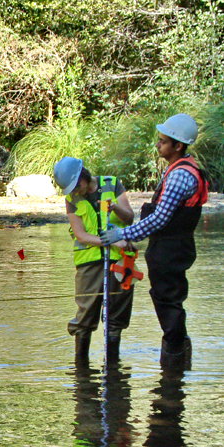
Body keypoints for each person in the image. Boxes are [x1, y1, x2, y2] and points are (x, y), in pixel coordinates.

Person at [100, 113, 208, 369]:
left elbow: (159, 219)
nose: (157, 145)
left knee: (168, 300)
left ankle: (173, 368)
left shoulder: (181, 175)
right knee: (167, 299)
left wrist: (122, 235)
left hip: (171, 250)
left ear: (178, 146)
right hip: (169, 248)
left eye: (162, 141)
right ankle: (176, 368)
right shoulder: (177, 169)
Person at [53, 157, 135, 364]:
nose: (76, 191)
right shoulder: (72, 199)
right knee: (85, 314)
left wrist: (115, 208)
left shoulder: (113, 184)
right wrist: (110, 242)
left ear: (84, 176)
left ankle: (114, 369)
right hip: (89, 262)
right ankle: (81, 370)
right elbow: (81, 235)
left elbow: (129, 219)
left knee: (117, 315)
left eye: (76, 185)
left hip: (120, 262)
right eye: (71, 189)